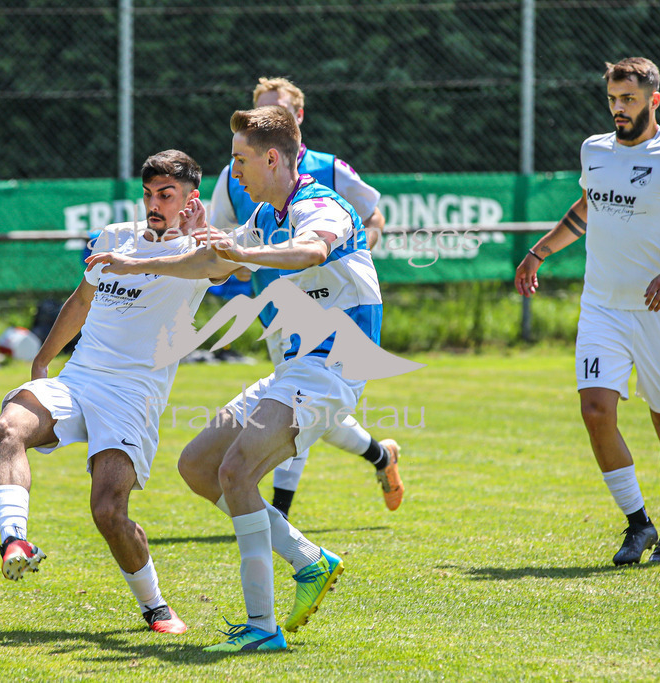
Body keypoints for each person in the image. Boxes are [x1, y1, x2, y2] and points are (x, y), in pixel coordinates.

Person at [89, 105, 384, 651]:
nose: (235, 171)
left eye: (240, 159)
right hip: (300, 366)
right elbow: (215, 266)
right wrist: (141, 264)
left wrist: (238, 250)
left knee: (236, 471)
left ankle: (261, 629)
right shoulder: (266, 216)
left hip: (337, 366)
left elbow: (309, 251)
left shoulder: (321, 205)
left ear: (272, 158)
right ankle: (309, 561)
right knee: (198, 465)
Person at [0, 150, 221, 635]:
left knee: (108, 511)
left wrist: (197, 233)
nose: (155, 203)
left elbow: (226, 270)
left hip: (132, 397)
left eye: (167, 195)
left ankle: (155, 606)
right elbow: (81, 299)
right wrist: (42, 361)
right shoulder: (116, 235)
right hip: (80, 381)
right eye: (149, 194)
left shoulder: (199, 251)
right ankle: (14, 541)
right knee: (8, 425)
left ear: (190, 199)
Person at [515, 58, 660, 566]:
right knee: (595, 412)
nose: (618, 109)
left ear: (653, 100)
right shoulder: (595, 150)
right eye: (612, 99)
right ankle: (638, 524)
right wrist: (539, 251)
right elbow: (589, 207)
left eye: (628, 99)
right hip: (602, 309)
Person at [208, 76, 403, 520]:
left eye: (276, 109)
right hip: (274, 310)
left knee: (293, 405)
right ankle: (379, 455)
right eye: (260, 108)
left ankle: (281, 515)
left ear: (297, 117)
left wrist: (349, 253)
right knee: (303, 408)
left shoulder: (328, 170)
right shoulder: (236, 169)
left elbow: (371, 216)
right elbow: (222, 235)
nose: (265, 116)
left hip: (328, 310)